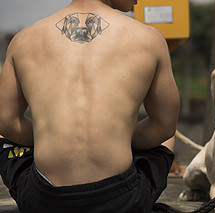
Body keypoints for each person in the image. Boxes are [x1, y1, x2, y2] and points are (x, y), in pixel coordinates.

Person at [0, 0, 180, 212]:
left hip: (44, 201)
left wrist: (49, 135)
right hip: (123, 200)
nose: (138, 0)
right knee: (168, 134)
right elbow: (164, 126)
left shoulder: (23, 40)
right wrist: (113, 137)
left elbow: (7, 122)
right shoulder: (150, 38)